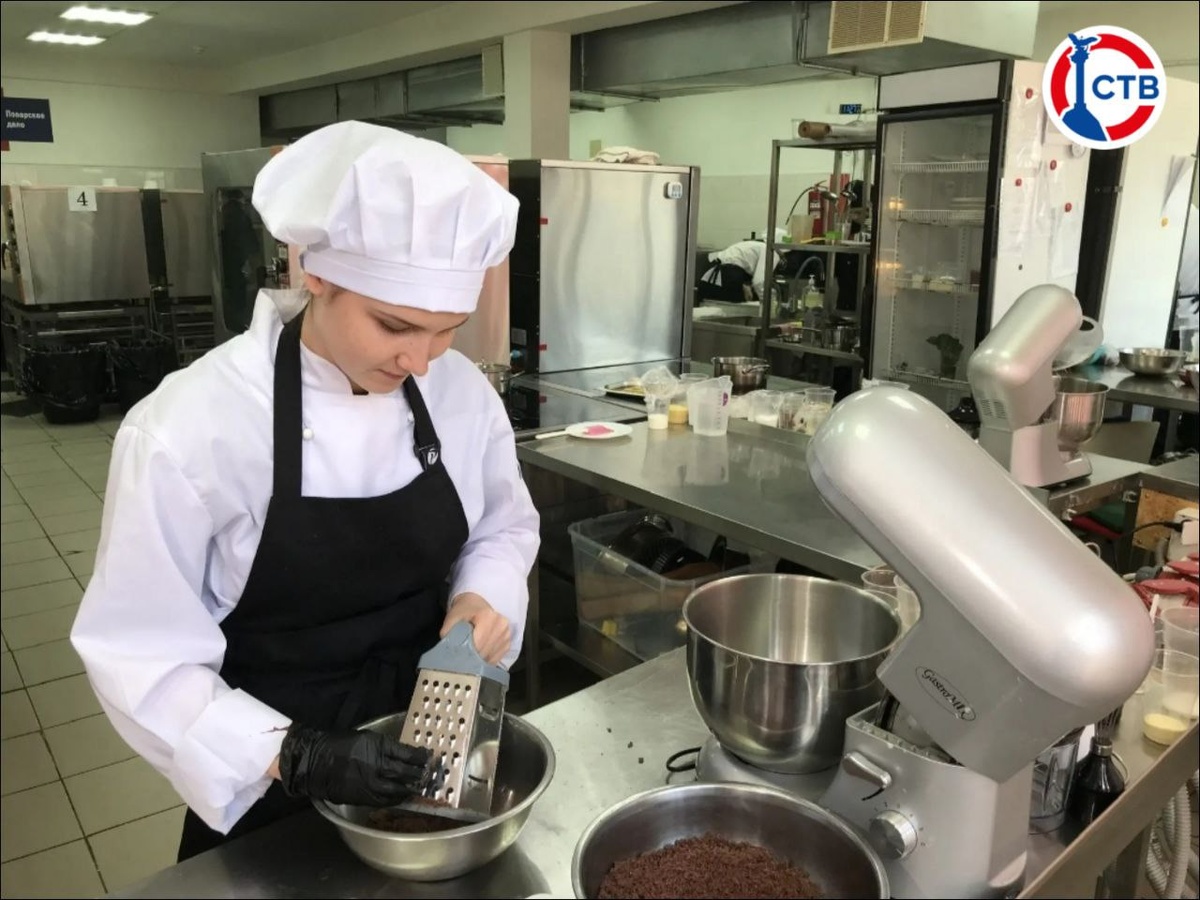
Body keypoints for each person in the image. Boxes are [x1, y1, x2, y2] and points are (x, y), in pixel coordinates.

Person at [70, 121, 541, 860]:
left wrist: (481, 600)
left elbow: (502, 528)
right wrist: (295, 755)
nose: (421, 361)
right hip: (269, 785)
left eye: (447, 330)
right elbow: (139, 651)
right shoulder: (189, 428)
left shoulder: (459, 395)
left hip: (431, 750)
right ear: (316, 275)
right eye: (395, 325)